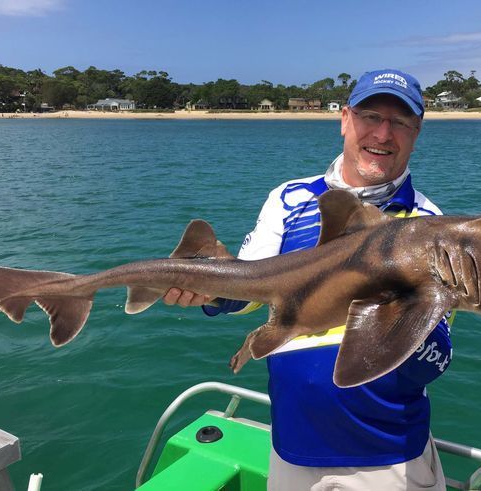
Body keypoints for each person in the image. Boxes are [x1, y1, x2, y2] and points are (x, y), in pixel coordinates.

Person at [164, 68, 452, 490]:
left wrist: (406, 311)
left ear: (417, 132)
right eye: (371, 116)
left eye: (401, 122)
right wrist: (209, 292)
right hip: (290, 445)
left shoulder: (430, 225)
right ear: (345, 118)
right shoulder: (289, 199)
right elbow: (248, 288)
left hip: (386, 455)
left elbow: (437, 362)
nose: (384, 134)